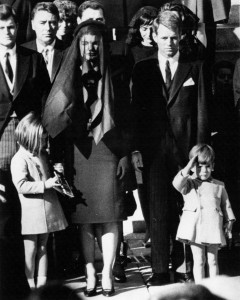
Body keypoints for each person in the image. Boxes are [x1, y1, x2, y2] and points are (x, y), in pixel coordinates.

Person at [42, 19, 131, 297]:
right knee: (85, 216)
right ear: (77, 46)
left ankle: (107, 272)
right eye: (85, 43)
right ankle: (91, 269)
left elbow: (127, 115)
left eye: (95, 43)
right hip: (78, 150)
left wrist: (126, 154)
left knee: (111, 213)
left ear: (102, 45)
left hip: (109, 148)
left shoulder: (115, 70)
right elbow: (55, 112)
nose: (91, 48)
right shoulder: (66, 72)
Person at [131, 7, 210, 285]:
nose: (169, 43)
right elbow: (136, 113)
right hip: (153, 152)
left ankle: (183, 266)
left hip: (185, 153)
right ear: (154, 36)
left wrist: (199, 152)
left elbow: (201, 112)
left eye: (174, 38)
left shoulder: (194, 67)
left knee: (186, 209)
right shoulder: (142, 69)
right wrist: (136, 150)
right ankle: (160, 271)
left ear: (180, 37)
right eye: (164, 38)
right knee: (158, 211)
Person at [0, 4, 50, 300]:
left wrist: (42, 145)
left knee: (33, 216)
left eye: (11, 27)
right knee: (5, 217)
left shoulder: (32, 59)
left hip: (29, 144)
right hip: (1, 146)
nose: (7, 32)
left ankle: (37, 281)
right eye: (2, 27)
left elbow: (44, 102)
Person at [11, 112, 68, 289]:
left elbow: (46, 175)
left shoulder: (41, 154)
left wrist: (56, 174)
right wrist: (45, 185)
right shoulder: (19, 159)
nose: (44, 142)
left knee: (44, 246)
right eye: (41, 139)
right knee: (31, 249)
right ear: (30, 138)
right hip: (31, 213)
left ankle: (42, 282)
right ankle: (30, 285)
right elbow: (21, 185)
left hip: (46, 210)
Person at [172, 144, 236, 283]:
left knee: (213, 261)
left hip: (213, 227)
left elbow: (226, 205)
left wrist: (229, 222)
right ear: (193, 166)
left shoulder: (219, 185)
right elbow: (176, 183)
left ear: (213, 166)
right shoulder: (188, 184)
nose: (204, 170)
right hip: (196, 228)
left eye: (207, 166)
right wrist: (189, 166)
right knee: (199, 261)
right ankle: (200, 291)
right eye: (199, 166)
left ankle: (214, 290)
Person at [126, 5, 158, 248]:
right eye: (143, 27)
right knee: (143, 181)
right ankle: (149, 227)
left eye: (151, 27)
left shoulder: (164, 47)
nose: (147, 32)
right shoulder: (132, 51)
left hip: (160, 120)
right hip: (140, 121)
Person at [23, 2, 67, 83]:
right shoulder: (22, 52)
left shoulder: (68, 50)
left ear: (57, 24)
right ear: (33, 24)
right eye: (42, 23)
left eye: (52, 22)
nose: (48, 28)